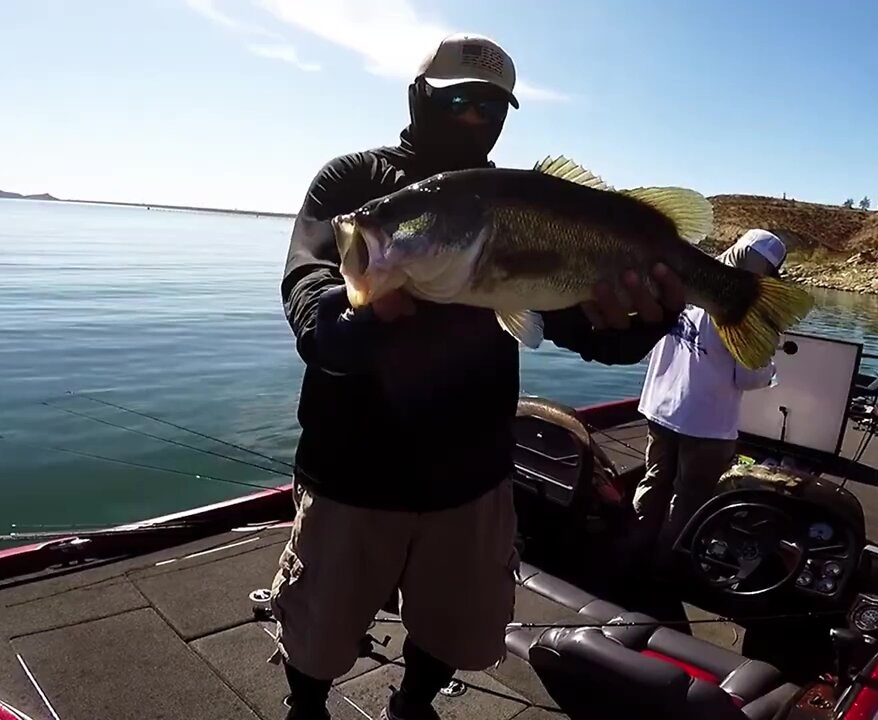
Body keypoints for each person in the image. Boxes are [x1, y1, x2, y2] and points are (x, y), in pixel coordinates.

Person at [274, 32, 688, 720]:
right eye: (458, 99)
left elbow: (591, 333)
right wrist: (346, 319)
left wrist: (639, 320)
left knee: (453, 625)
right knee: (318, 628)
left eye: (492, 107)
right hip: (352, 473)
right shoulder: (354, 183)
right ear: (419, 97)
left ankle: (414, 702)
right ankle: (307, 706)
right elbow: (310, 284)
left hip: (473, 479)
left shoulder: (528, 205)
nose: (474, 119)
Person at [630, 229, 788, 573]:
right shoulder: (746, 305)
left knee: (654, 479)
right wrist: (770, 366)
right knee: (689, 496)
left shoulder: (685, 280)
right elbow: (748, 377)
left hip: (659, 407)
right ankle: (663, 567)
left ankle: (634, 546)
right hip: (706, 422)